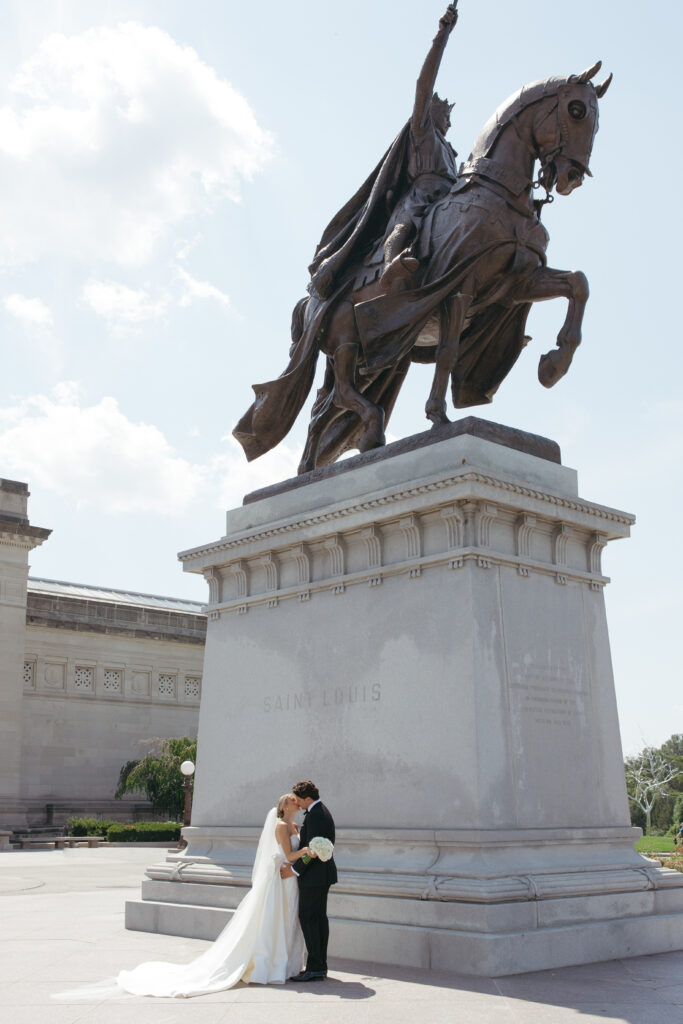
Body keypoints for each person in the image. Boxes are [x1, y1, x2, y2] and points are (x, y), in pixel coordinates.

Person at [61, 794, 310, 999]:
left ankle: (285, 964)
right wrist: (309, 852)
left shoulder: (296, 826)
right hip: (279, 879)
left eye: (295, 800)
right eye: (290, 800)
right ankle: (269, 965)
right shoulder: (279, 826)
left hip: (290, 880)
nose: (295, 802)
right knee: (273, 921)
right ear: (283, 806)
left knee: (288, 920)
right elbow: (287, 856)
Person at [281, 780, 338, 982]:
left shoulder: (316, 815)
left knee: (309, 918)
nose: (297, 804)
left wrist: (294, 870)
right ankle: (319, 966)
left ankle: (315, 966)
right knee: (319, 919)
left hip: (314, 877)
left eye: (298, 800)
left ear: (307, 799)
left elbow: (312, 851)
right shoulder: (321, 812)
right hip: (322, 875)